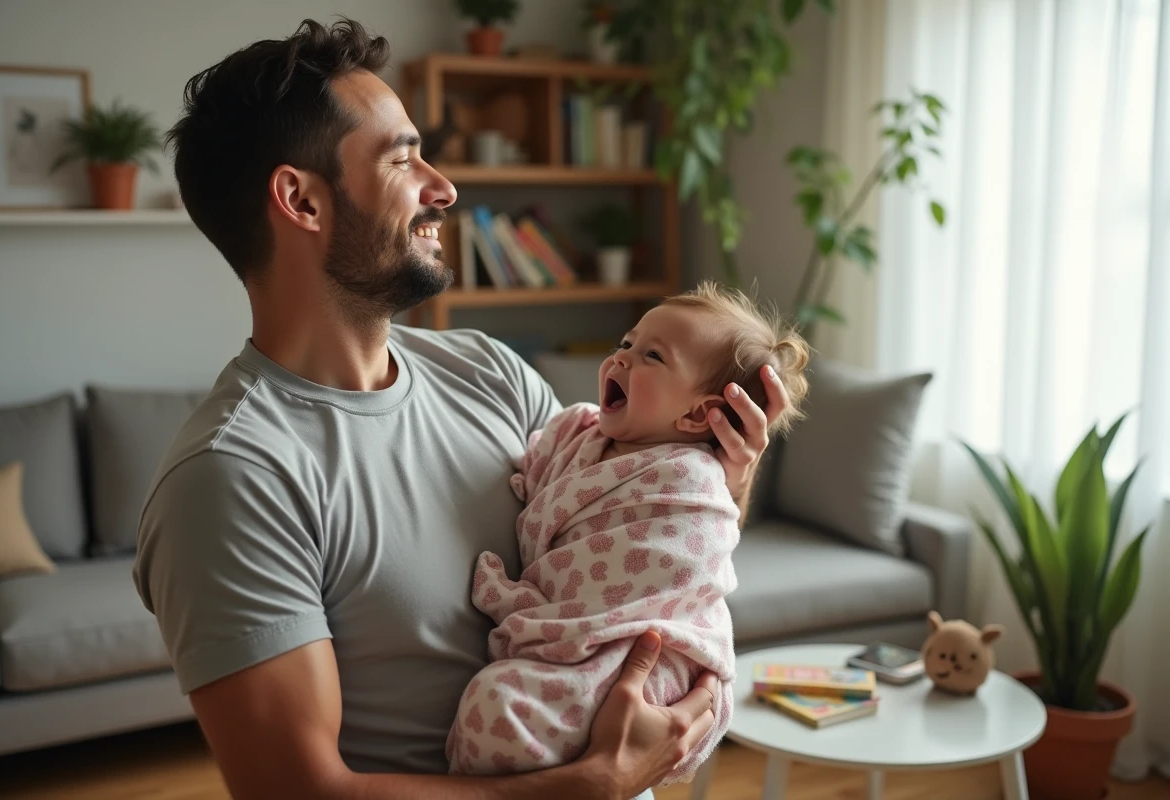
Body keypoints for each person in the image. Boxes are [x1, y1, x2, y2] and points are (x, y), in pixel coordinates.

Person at [132, 17, 790, 800]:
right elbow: (298, 792)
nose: (444, 187)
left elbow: (634, 536)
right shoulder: (232, 479)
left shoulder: (488, 371)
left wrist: (729, 473)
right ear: (301, 201)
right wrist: (588, 788)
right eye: (404, 158)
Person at [446, 282, 811, 783]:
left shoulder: (692, 482)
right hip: (584, 645)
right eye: (626, 343)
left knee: (500, 706)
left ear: (697, 414)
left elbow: (686, 564)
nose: (621, 359)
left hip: (643, 652)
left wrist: (736, 480)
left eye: (652, 356)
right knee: (500, 699)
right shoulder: (578, 433)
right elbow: (535, 472)